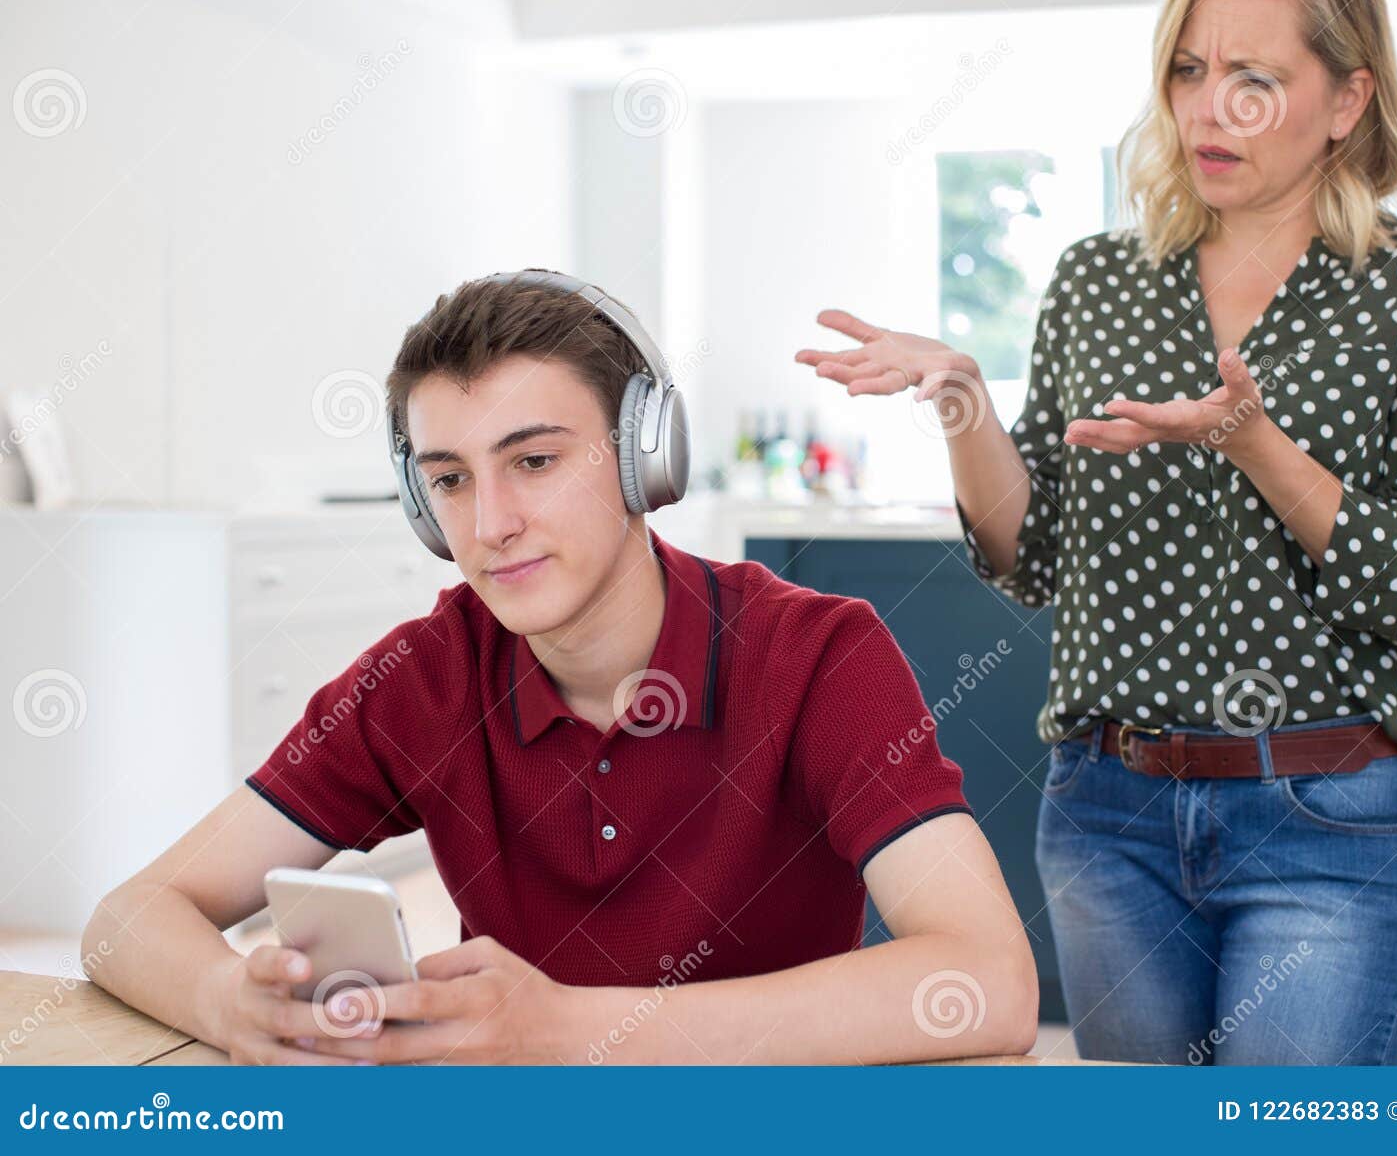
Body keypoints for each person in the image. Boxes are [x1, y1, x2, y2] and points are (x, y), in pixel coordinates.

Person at [798, 0, 1397, 1064]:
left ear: (1346, 99)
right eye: (1187, 71)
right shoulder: (1097, 280)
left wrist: (1253, 441)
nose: (1205, 110)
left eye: (1253, 80)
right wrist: (961, 402)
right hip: (1108, 816)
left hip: (1328, 818)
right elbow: (1028, 555)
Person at [82, 271, 1038, 1065]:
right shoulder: (427, 675)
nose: (489, 524)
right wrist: (225, 998)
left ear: (643, 461)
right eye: (450, 479)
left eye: (534, 461)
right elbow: (125, 918)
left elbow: (987, 981)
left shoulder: (818, 654)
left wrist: (566, 1028)